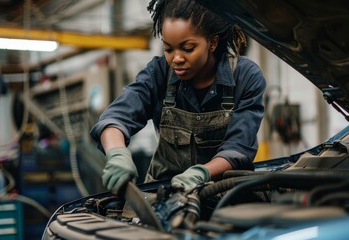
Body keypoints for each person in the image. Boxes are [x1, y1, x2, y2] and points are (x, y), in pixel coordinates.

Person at [90, 0, 266, 195]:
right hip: (164, 194)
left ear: (212, 42)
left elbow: (239, 148)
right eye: (168, 49)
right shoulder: (159, 73)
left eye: (188, 48)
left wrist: (202, 173)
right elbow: (116, 116)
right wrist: (117, 153)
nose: (177, 59)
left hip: (224, 195)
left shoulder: (245, 76)